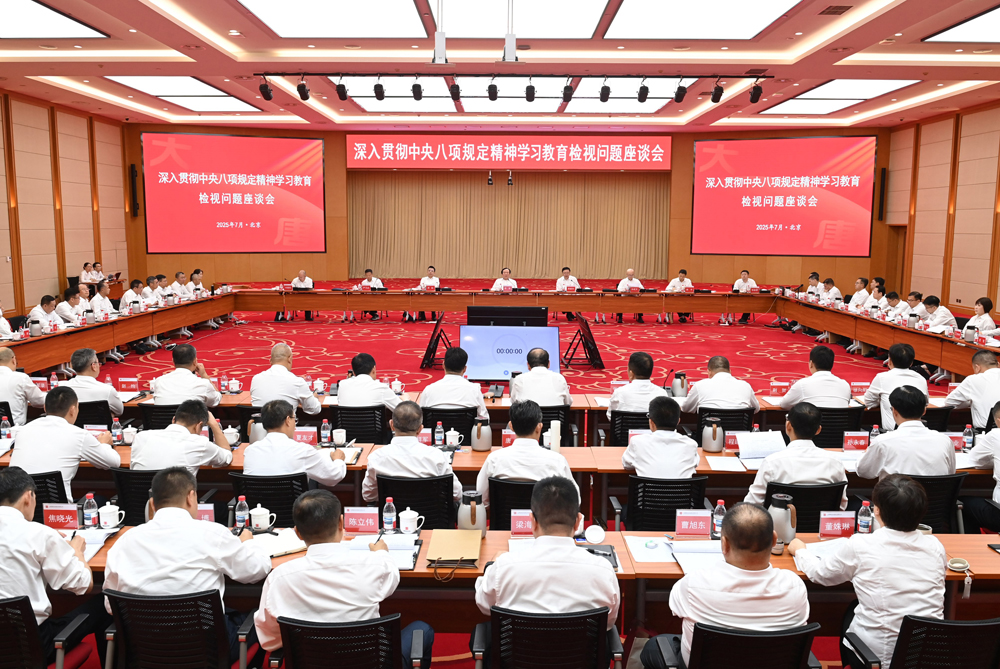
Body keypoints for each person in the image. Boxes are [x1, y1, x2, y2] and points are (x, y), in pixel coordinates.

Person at [103, 468, 271, 663]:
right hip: (207, 651)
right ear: (191, 497)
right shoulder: (212, 534)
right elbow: (256, 570)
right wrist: (248, 542)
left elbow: (110, 605)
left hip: (145, 649)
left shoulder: (125, 541)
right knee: (261, 621)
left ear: (152, 504)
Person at [254, 489, 435, 668]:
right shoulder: (373, 566)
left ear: (298, 533)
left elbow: (270, 641)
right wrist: (381, 553)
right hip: (368, 663)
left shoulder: (278, 578)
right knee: (422, 629)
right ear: (341, 523)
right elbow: (391, 574)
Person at [788, 475, 946, 669]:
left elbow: (821, 574)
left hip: (879, 660)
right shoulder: (935, 546)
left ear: (876, 510)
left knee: (850, 619)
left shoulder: (862, 545)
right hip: (928, 656)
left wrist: (800, 551)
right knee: (853, 609)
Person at [641, 503, 809, 669]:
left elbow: (675, 608)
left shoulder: (694, 584)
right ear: (774, 539)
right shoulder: (796, 587)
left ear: (724, 544)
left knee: (654, 647)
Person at [473, 476, 620, 664]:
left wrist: (491, 567)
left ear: (532, 521)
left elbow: (484, 604)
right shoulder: (603, 571)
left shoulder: (504, 566)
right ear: (578, 522)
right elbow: (608, 622)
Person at [0, 467, 113, 667]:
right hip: (31, 646)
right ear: (28, 496)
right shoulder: (38, 534)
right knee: (103, 603)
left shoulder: (40, 533)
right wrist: (76, 550)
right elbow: (83, 584)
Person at [9, 386, 119, 500]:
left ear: (45, 408)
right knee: (101, 499)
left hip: (19, 506)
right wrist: (105, 444)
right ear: (72, 410)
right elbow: (114, 462)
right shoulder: (79, 435)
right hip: (58, 509)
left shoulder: (23, 430)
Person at [744, 402, 848, 509]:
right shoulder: (835, 462)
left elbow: (751, 506)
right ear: (818, 430)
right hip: (821, 520)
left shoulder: (772, 462)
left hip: (781, 520)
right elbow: (841, 506)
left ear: (788, 426)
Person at [475, 400, 577, 507]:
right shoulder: (557, 461)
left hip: (504, 518)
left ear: (511, 426)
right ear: (539, 427)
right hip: (543, 517)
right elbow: (575, 499)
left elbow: (481, 499)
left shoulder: (494, 459)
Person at [363, 401, 462, 502]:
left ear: (391, 425)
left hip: (391, 511)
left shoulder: (377, 457)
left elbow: (368, 496)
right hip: (429, 511)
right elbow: (456, 494)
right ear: (420, 429)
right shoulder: (437, 456)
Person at [857, 386, 955, 480]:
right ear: (924, 411)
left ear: (894, 411)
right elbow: (951, 473)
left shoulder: (882, 442)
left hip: (897, 492)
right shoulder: (945, 441)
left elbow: (863, 472)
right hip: (934, 492)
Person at [243, 400, 346, 486]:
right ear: (288, 420)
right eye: (294, 419)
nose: (295, 426)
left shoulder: (250, 451)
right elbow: (334, 476)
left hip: (256, 505)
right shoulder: (303, 451)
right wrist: (338, 460)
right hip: (294, 505)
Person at [130, 400, 232, 477]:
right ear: (198, 426)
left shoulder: (140, 437)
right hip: (177, 499)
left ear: (173, 419)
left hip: (139, 499)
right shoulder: (199, 443)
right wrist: (214, 424)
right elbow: (226, 457)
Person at [621, 396, 699, 478]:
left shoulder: (637, 442)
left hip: (647, 487)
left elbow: (626, 465)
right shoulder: (691, 445)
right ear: (678, 422)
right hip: (682, 487)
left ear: (651, 422)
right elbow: (695, 463)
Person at [863, 343, 928, 429]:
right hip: (918, 430)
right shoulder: (921, 379)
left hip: (890, 431)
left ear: (889, 361)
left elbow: (868, 402)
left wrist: (882, 400)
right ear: (911, 363)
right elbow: (925, 403)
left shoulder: (882, 378)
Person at [960, 401, 1000, 533]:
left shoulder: (996, 435)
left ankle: (975, 544)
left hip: (998, 513)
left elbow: (975, 460)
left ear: (998, 421)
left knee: (962, 504)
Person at [250, 343, 322, 415]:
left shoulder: (256, 379)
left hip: (258, 422)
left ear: (270, 361)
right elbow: (314, 409)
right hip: (283, 422)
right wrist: (314, 398)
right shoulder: (297, 382)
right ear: (289, 359)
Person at [418, 347, 489, 420]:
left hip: (436, 427)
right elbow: (484, 418)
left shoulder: (428, 390)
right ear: (465, 369)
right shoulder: (474, 390)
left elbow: (420, 418)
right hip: (465, 428)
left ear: (443, 365)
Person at [778, 345, 852, 409]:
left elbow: (784, 404)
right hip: (839, 421)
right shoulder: (845, 385)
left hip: (813, 421)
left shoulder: (802, 384)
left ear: (811, 364)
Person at [681, 356, 760, 415]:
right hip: (738, 431)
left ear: (709, 372)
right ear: (730, 371)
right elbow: (756, 409)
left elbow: (685, 408)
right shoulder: (745, 386)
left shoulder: (699, 386)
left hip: (710, 431)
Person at [150, 343, 221, 407]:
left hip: (165, 418)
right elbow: (216, 400)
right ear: (195, 362)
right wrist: (204, 375)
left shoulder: (159, 381)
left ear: (173, 361)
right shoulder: (203, 384)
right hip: (191, 417)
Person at [944, 350, 1000, 429]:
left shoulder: (973, 379)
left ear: (977, 368)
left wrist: (971, 402)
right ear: (998, 364)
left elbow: (949, 402)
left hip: (986, 432)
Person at [61, 348, 124, 415]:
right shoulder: (107, 390)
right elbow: (119, 411)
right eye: (98, 363)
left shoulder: (62, 387)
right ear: (93, 366)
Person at [607, 352, 669, 419]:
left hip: (626, 426)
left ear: (631, 373)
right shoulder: (662, 394)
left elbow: (611, 416)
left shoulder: (620, 392)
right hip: (651, 426)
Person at [337, 353, 402, 410]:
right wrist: (405, 399)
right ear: (374, 369)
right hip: (372, 421)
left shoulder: (342, 385)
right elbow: (404, 410)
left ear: (353, 372)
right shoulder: (381, 388)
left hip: (347, 420)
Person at [0, 347, 46, 425]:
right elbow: (39, 401)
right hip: (15, 429)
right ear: (13, 360)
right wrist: (54, 394)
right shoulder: (20, 378)